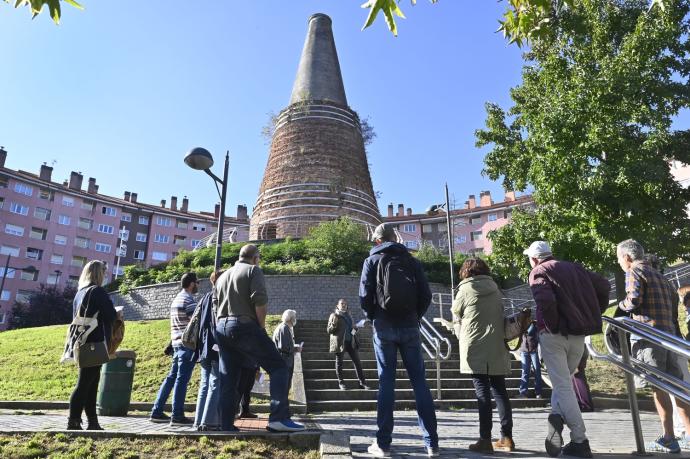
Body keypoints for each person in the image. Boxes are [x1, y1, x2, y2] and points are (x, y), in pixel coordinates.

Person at [360, 223, 439, 458]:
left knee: (386, 382)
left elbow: (365, 296)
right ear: (395, 238)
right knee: (420, 383)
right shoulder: (412, 261)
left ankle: (383, 444)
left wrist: (374, 316)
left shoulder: (371, 261)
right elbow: (426, 295)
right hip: (410, 327)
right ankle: (431, 443)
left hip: (383, 326)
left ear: (377, 240)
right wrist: (414, 316)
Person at [524, 240, 610, 458]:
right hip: (578, 335)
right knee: (564, 384)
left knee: (562, 386)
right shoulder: (575, 268)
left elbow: (544, 299)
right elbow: (603, 285)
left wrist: (551, 325)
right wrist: (592, 313)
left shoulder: (538, 271)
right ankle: (557, 416)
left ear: (534, 259)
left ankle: (580, 440)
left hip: (554, 335)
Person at [215, 244, 305, 432]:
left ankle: (224, 424)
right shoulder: (254, 270)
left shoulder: (222, 276)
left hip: (222, 328)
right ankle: (278, 419)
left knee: (229, 377)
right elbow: (260, 301)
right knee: (279, 367)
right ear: (255, 258)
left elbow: (216, 305)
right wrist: (261, 327)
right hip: (245, 325)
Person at [617, 239, 690, 453]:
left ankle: (669, 437)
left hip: (649, 337)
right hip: (668, 337)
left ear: (627, 257)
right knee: (676, 387)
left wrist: (619, 309)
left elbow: (633, 300)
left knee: (658, 387)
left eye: (619, 258)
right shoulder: (663, 278)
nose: (620, 263)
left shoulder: (634, 271)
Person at [451, 258, 514, 453]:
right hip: (496, 344)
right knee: (500, 391)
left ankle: (485, 439)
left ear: (465, 272)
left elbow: (455, 312)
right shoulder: (495, 289)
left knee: (482, 392)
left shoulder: (464, 289)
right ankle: (507, 438)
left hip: (475, 346)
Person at [64, 260, 117, 430]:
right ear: (98, 274)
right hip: (94, 342)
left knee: (91, 383)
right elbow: (110, 315)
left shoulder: (80, 292)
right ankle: (73, 420)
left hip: (81, 341)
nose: (105, 275)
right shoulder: (98, 291)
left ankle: (92, 422)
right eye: (104, 272)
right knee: (85, 383)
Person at [150, 272, 199, 425]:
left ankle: (157, 411)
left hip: (176, 344)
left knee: (171, 378)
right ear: (191, 284)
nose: (198, 285)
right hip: (186, 346)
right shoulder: (189, 300)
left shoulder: (177, 299)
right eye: (197, 282)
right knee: (181, 380)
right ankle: (177, 415)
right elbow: (195, 323)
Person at [193, 270, 223, 431]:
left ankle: (198, 421)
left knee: (205, 384)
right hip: (214, 345)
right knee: (215, 382)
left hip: (203, 346)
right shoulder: (218, 297)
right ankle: (209, 422)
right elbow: (217, 323)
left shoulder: (204, 297)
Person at [327, 300, 369, 391]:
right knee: (339, 363)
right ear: (337, 306)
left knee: (357, 362)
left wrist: (356, 329)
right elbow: (329, 330)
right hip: (340, 343)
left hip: (351, 342)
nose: (344, 305)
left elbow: (352, 329)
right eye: (342, 304)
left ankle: (362, 383)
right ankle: (341, 383)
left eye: (345, 304)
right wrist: (334, 324)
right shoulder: (334, 315)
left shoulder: (349, 316)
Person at [273, 309, 301, 393]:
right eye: (294, 317)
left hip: (286, 361)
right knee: (283, 388)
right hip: (284, 362)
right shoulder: (283, 328)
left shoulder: (286, 328)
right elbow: (284, 347)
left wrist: (295, 348)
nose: (295, 319)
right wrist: (295, 348)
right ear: (290, 318)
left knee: (285, 388)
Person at [519, 320, 543, 399]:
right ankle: (523, 392)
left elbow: (540, 337)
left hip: (534, 350)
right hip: (524, 350)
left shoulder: (535, 324)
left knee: (537, 371)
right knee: (525, 371)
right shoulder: (520, 323)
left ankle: (538, 392)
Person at [572, 348, 594, 412]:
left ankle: (585, 404)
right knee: (577, 379)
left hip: (576, 354)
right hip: (579, 352)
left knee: (578, 379)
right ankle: (582, 403)